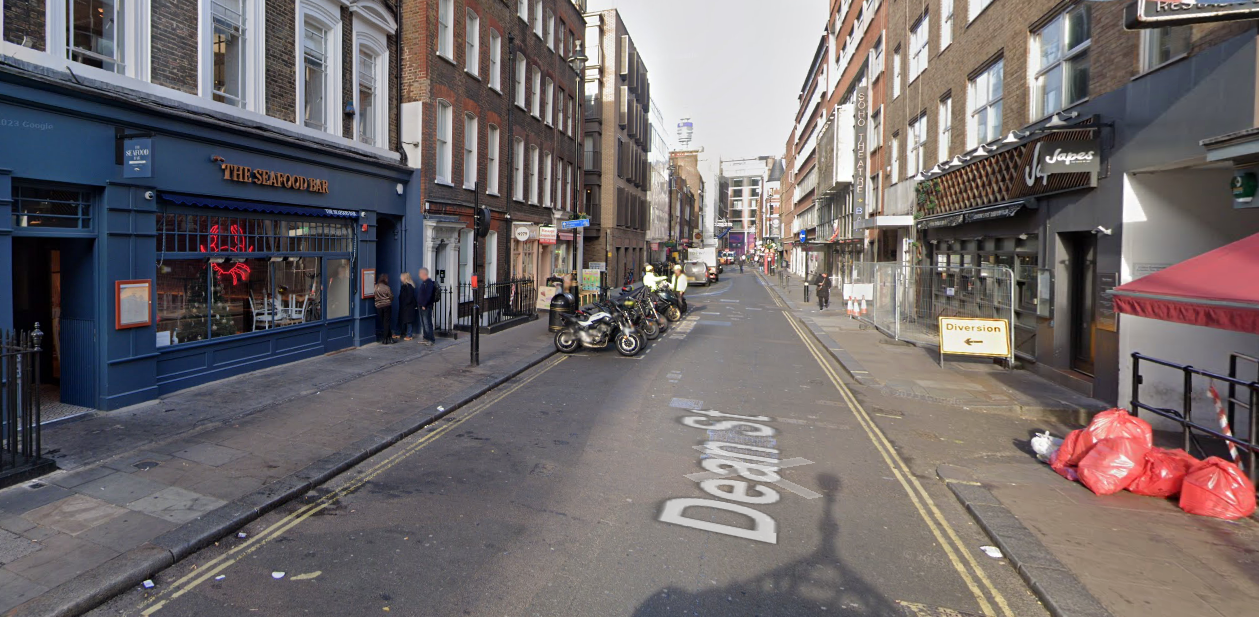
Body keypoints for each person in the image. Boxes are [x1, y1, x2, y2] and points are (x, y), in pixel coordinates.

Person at [416, 268, 438, 346]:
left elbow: (428, 295)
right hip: (421, 306)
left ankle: (431, 339)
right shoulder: (424, 283)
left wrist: (424, 304)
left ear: (423, 274)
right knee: (423, 323)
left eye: (419, 273)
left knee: (427, 323)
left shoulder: (429, 283)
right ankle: (426, 338)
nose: (419, 275)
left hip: (426, 306)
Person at [374, 273, 394, 344]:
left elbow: (374, 295)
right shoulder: (387, 287)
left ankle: (389, 337)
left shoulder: (375, 287)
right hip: (387, 306)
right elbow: (391, 296)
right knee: (387, 322)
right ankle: (385, 338)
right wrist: (389, 299)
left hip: (378, 306)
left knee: (384, 322)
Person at [397, 272, 418, 341]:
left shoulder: (409, 286)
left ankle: (409, 335)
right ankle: (399, 332)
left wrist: (405, 303)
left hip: (408, 307)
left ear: (404, 278)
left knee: (408, 321)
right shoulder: (405, 286)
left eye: (401, 277)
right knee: (403, 320)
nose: (401, 278)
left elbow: (409, 297)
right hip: (405, 306)